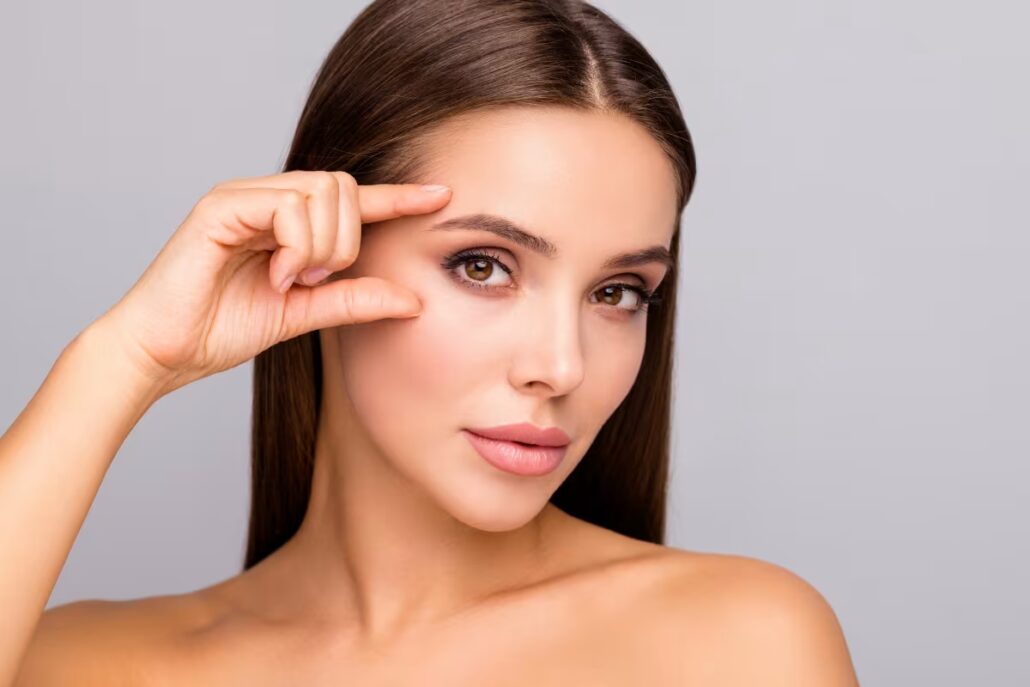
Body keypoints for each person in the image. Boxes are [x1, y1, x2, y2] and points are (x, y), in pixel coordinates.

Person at [2, 0, 859, 683]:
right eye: (484, 266)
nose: (559, 365)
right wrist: (123, 361)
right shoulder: (84, 663)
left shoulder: (742, 643)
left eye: (617, 291)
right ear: (326, 255)